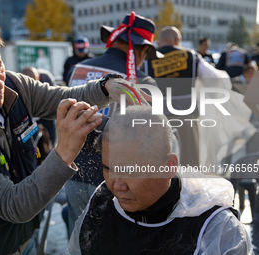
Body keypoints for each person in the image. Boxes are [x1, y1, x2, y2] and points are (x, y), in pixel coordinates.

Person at [0, 13, 144, 255]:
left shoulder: (13, 86)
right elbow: (14, 205)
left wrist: (105, 87)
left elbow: (61, 98)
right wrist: (65, 151)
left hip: (25, 238)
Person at [65, 105, 254, 255]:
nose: (117, 186)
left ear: (170, 166)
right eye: (108, 169)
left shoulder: (214, 227)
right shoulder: (101, 202)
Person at [64, 11, 161, 237]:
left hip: (72, 171)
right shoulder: (143, 83)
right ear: (141, 49)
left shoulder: (76, 70)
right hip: (114, 181)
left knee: (78, 242)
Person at [144, 26, 202, 167]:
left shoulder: (146, 59)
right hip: (185, 118)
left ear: (159, 42)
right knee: (189, 162)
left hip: (157, 119)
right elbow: (215, 78)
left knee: (160, 162)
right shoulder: (192, 56)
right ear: (177, 40)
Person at [21, 66, 58, 146]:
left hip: (46, 110)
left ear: (39, 77)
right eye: (28, 84)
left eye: (33, 82)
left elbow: (54, 99)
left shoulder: (46, 78)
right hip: (30, 114)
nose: (32, 87)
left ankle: (51, 148)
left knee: (49, 128)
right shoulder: (19, 84)